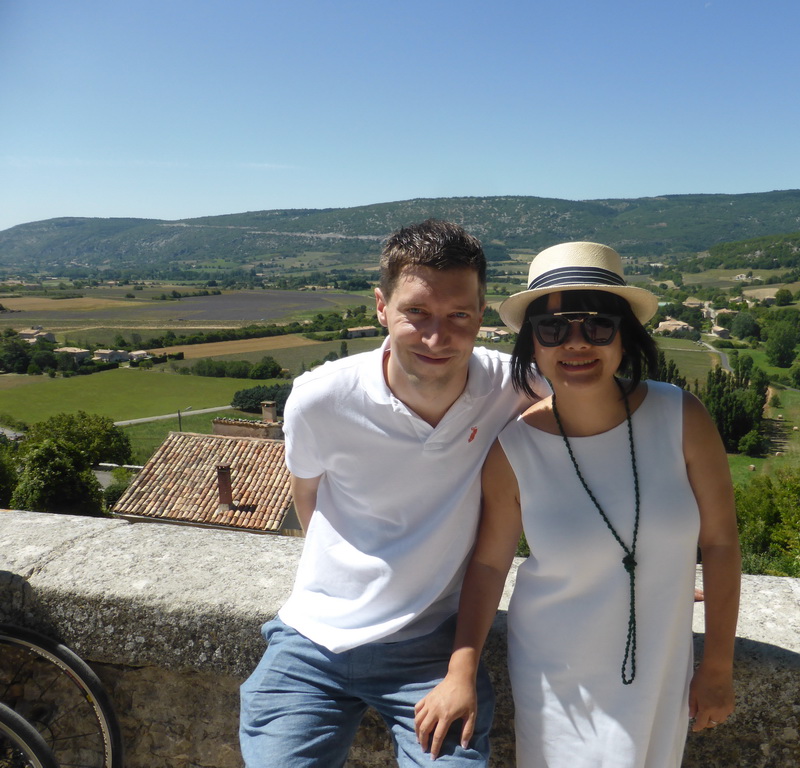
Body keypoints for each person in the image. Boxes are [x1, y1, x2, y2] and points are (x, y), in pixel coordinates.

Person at [414, 242, 741, 767]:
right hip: (556, 674)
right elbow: (490, 563)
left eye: (597, 325)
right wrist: (461, 670)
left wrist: (718, 666)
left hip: (659, 666)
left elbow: (721, 542)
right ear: (532, 344)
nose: (576, 344)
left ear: (624, 334)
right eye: (554, 329)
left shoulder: (683, 417)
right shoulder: (513, 449)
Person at [239, 219, 538, 767]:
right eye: (416, 313)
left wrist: (629, 565)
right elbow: (306, 496)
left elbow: (601, 439)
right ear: (381, 306)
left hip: (432, 650)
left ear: (481, 313)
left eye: (458, 316)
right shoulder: (321, 398)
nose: (436, 337)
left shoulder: (516, 388)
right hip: (312, 640)